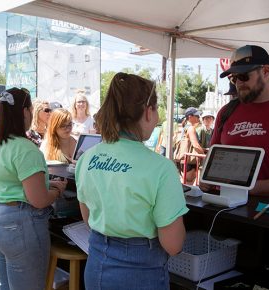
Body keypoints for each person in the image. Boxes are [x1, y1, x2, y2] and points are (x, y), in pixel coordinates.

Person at [76, 72, 188, 290]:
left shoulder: (87, 157)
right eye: (157, 110)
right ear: (148, 112)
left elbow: (88, 218)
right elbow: (173, 245)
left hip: (97, 264)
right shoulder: (161, 168)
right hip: (140, 272)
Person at [0, 88, 67, 290]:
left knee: (4, 284)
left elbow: (9, 180)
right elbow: (39, 200)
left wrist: (45, 184)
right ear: (25, 112)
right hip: (20, 224)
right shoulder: (25, 148)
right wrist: (56, 191)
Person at [205, 44, 269, 202]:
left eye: (244, 76)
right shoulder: (226, 112)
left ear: (266, 72)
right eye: (233, 78)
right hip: (225, 208)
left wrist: (250, 188)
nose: (238, 83)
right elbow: (211, 158)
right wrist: (206, 178)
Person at [176, 107, 205, 184]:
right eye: (196, 116)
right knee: (189, 185)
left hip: (185, 161)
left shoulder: (185, 127)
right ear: (190, 117)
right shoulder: (191, 128)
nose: (198, 117)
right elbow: (195, 145)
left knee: (185, 184)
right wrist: (204, 156)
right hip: (190, 162)